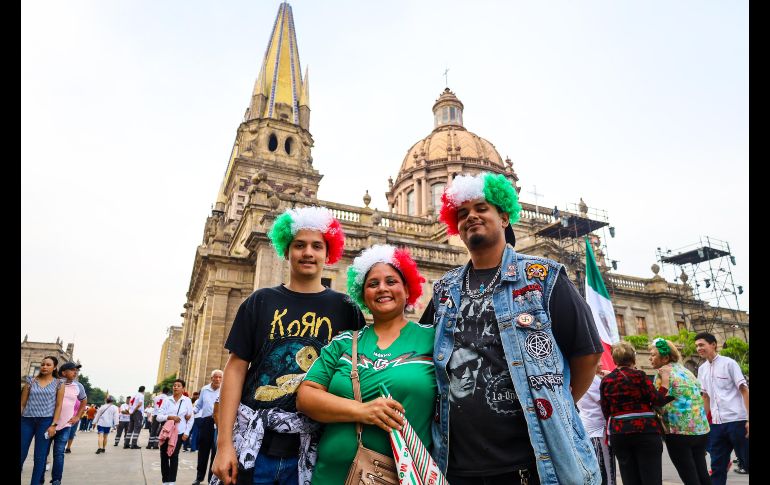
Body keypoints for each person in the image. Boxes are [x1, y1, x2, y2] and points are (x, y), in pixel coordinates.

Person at [421, 172, 604, 484]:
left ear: (504, 216)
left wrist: (553, 404)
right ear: (455, 227)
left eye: (482, 208)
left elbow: (586, 354)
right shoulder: (443, 290)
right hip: (456, 463)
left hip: (532, 462)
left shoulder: (543, 276)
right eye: (462, 213)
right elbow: (424, 357)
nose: (471, 217)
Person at [211, 207, 365, 485]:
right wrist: (223, 445)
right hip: (254, 447)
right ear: (286, 250)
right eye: (299, 245)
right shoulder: (260, 302)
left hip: (315, 448)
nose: (308, 252)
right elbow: (235, 369)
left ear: (327, 253)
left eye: (317, 246)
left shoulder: (346, 309)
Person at [298, 244, 434, 484]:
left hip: (404, 476)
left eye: (391, 281)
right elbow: (306, 396)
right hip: (332, 476)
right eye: (373, 284)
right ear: (363, 294)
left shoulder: (433, 340)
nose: (382, 288)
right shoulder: (343, 343)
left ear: (407, 288)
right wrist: (364, 411)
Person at [600, 341, 673, 485]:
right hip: (645, 432)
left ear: (614, 360)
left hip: (619, 433)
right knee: (651, 477)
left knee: (629, 478)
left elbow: (606, 410)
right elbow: (657, 400)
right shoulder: (639, 375)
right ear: (633, 359)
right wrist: (665, 381)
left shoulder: (606, 380)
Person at [647, 338, 710, 485]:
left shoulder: (663, 373)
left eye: (653, 355)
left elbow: (657, 401)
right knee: (702, 473)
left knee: (690, 477)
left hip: (679, 432)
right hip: (700, 429)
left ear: (666, 357)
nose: (650, 358)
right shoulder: (686, 371)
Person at [695, 331, 749, 483]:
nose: (699, 348)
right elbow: (705, 397)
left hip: (737, 421)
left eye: (702, 345)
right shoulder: (702, 369)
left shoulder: (729, 363)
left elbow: (744, 390)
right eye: (697, 346)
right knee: (717, 467)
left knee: (747, 461)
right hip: (717, 425)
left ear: (713, 345)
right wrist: (703, 423)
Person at [20, 355, 65, 485]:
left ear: (55, 367)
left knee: (40, 457)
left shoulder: (59, 383)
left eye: (48, 365)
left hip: (46, 422)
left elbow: (58, 405)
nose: (44, 367)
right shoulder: (31, 381)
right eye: (43, 364)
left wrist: (53, 425)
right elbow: (22, 403)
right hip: (26, 421)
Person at [577, 363, 616, 485]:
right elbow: (606, 400)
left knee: (596, 469)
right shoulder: (592, 379)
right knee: (606, 471)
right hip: (598, 429)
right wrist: (609, 380)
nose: (602, 363)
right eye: (598, 359)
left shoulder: (580, 376)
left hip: (589, 427)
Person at [52, 362, 87, 485]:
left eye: (76, 370)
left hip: (65, 425)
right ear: (63, 372)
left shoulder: (78, 386)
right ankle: (39, 478)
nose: (75, 372)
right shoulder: (54, 383)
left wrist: (77, 416)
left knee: (59, 453)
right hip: (49, 424)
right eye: (72, 370)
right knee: (42, 453)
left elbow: (84, 401)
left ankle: (56, 480)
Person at [156, 378, 195, 485]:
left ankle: (172, 481)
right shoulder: (167, 400)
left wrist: (186, 433)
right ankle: (165, 481)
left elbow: (191, 418)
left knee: (173, 456)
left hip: (179, 433)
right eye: (174, 385)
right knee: (163, 456)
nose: (175, 387)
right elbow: (158, 417)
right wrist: (170, 417)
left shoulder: (187, 400)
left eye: (178, 386)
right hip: (166, 433)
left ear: (183, 388)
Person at [192, 370, 223, 485]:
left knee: (215, 452)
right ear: (211, 378)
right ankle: (199, 477)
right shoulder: (205, 389)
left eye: (220, 377)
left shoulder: (224, 389)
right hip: (206, 422)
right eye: (216, 377)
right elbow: (199, 405)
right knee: (203, 451)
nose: (218, 379)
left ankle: (212, 479)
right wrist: (192, 412)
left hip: (219, 423)